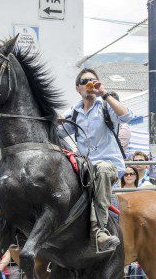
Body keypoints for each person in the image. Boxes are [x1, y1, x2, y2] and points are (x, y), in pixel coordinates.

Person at [58, 68, 133, 252]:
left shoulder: (106, 105)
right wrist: (53, 120)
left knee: (102, 169)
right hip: (85, 168)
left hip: (108, 166)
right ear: (78, 88)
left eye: (93, 80)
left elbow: (127, 116)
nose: (89, 84)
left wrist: (104, 93)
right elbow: (57, 132)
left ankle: (99, 230)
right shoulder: (73, 112)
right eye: (85, 81)